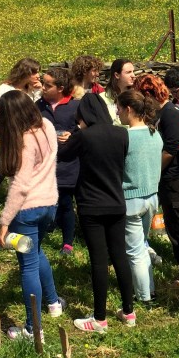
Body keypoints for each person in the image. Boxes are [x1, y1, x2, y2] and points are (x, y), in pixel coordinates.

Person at [59, 94, 137, 332]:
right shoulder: (122, 133)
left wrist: (71, 136)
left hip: (91, 204)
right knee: (120, 256)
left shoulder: (83, 136)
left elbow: (64, 155)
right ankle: (128, 311)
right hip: (116, 201)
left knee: (99, 260)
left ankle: (100, 318)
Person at [0, 90, 65, 340]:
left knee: (27, 266)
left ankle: (32, 328)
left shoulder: (23, 141)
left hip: (27, 211)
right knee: (37, 252)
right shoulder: (45, 125)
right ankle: (54, 302)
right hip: (49, 204)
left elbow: (21, 185)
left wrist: (4, 222)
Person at [144, 72, 179, 289]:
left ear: (152, 94)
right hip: (166, 178)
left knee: (178, 224)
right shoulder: (160, 114)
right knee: (173, 223)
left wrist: (153, 172)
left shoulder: (171, 115)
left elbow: (171, 149)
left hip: (175, 178)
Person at [117, 89, 163, 306]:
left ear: (128, 109)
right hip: (152, 197)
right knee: (142, 246)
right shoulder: (155, 134)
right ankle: (149, 289)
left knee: (135, 252)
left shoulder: (125, 136)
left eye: (118, 108)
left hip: (131, 198)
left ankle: (145, 296)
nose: (117, 113)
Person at [36, 67, 80, 255]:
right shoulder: (39, 106)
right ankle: (45, 230)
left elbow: (87, 129)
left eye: (47, 85)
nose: (42, 87)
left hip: (70, 164)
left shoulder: (75, 106)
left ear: (61, 88)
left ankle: (67, 242)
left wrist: (73, 135)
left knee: (66, 202)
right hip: (46, 164)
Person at [0, 58, 41, 154]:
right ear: (24, 73)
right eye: (34, 73)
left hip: (29, 134)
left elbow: (37, 111)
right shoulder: (4, 89)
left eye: (38, 72)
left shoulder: (32, 89)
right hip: (9, 133)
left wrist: (38, 92)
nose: (38, 76)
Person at [101, 59, 136, 124]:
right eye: (128, 72)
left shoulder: (136, 97)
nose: (133, 76)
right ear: (117, 75)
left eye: (133, 71)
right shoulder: (102, 98)